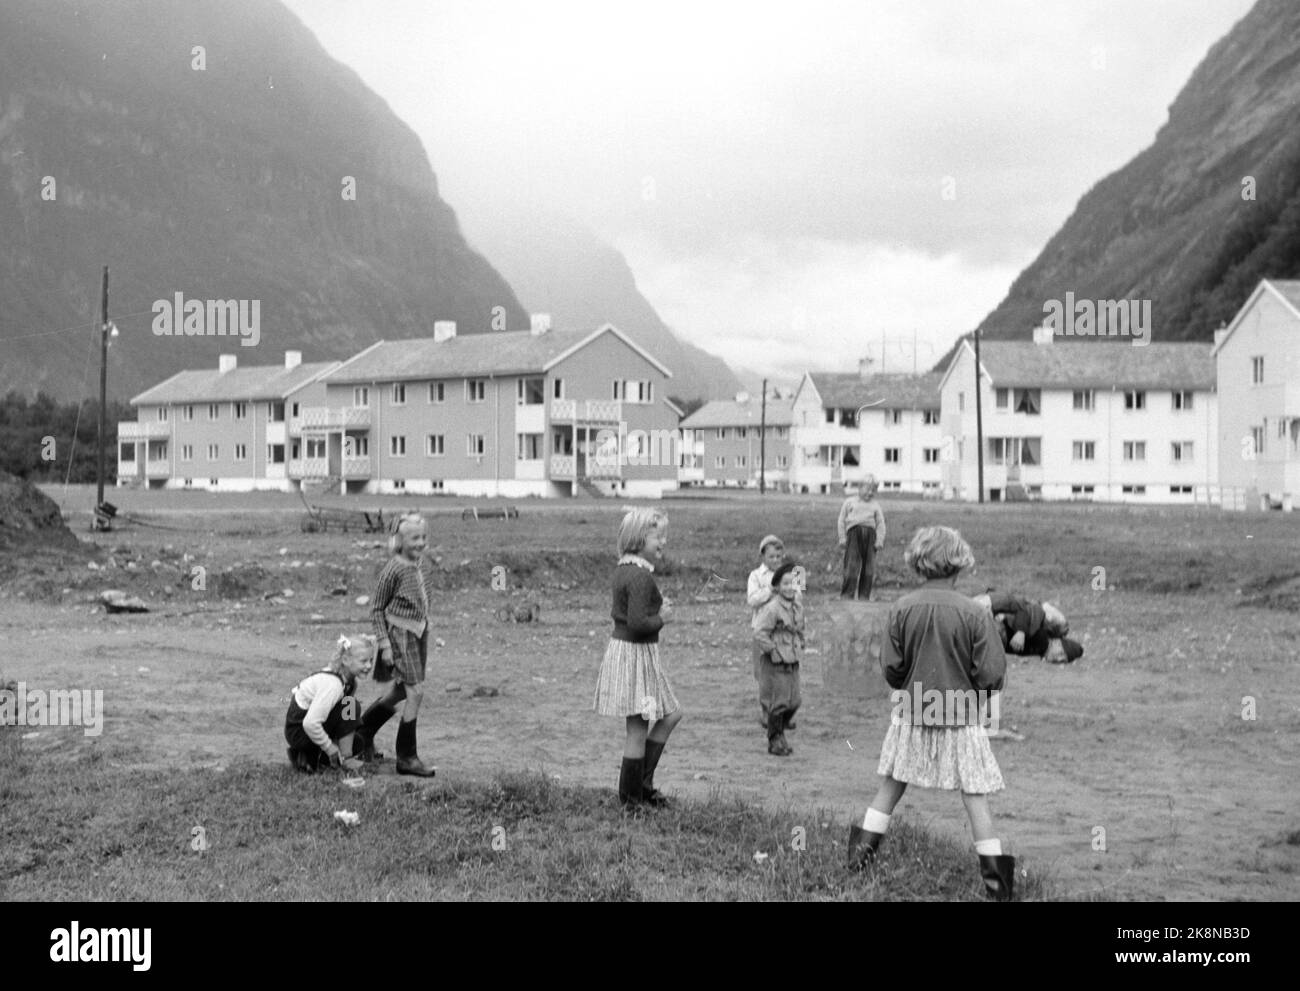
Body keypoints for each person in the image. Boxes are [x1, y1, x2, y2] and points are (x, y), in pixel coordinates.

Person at [846, 526, 1017, 901]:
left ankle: (857, 864)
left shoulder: (902, 608)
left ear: (917, 564)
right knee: (975, 795)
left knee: (891, 785)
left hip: (913, 710)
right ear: (959, 564)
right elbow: (991, 673)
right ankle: (997, 887)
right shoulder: (974, 612)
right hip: (960, 714)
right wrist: (979, 699)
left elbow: (891, 668)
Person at [593, 508, 684, 808]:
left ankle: (639, 790)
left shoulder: (623, 570)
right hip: (636, 657)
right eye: (659, 536)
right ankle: (633, 799)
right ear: (639, 537)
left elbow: (631, 614)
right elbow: (637, 623)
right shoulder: (641, 576)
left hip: (628, 656)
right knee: (641, 726)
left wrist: (654, 611)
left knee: (656, 719)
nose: (664, 542)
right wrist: (662, 618)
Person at [351, 512, 437, 777]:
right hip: (399, 637)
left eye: (423, 536)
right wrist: (385, 644)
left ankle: (362, 733)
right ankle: (407, 757)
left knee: (400, 691)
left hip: (418, 634)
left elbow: (422, 599)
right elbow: (376, 609)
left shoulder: (421, 565)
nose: (420, 542)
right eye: (414, 538)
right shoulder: (393, 569)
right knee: (415, 692)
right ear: (399, 540)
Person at [285, 633, 374, 774]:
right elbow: (310, 723)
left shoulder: (350, 682)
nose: (369, 666)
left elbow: (344, 720)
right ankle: (342, 758)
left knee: (357, 742)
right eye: (363, 661)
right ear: (345, 660)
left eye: (371, 660)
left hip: (312, 727)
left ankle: (309, 756)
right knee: (351, 705)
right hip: (299, 730)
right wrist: (330, 747)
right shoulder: (333, 685)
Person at [753, 560, 805, 757]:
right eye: (785, 583)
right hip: (776, 662)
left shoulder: (798, 607)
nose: (790, 587)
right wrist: (772, 650)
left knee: (795, 701)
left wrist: (801, 644)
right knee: (780, 701)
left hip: (792, 660)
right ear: (776, 586)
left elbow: (800, 629)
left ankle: (779, 732)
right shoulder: (772, 608)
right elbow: (759, 632)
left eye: (793, 583)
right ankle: (774, 739)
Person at [747, 535, 799, 729]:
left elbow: (798, 598)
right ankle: (766, 711)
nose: (776, 560)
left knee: (785, 672)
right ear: (763, 556)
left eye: (779, 556)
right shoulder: (756, 576)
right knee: (764, 673)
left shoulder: (790, 575)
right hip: (762, 630)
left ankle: (784, 713)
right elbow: (752, 600)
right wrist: (770, 589)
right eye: (771, 556)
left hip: (783, 633)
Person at [971, 592, 1084, 663]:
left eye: (1062, 661)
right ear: (1058, 643)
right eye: (1061, 655)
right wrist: (1021, 632)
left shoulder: (1041, 647)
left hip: (990, 612)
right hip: (990, 607)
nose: (1058, 660)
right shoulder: (1043, 639)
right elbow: (1033, 609)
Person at [837, 475, 886, 600]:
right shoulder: (850, 502)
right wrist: (842, 538)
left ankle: (864, 596)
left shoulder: (875, 505)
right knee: (851, 566)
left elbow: (880, 523)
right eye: (867, 489)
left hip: (871, 538)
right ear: (859, 488)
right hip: (853, 535)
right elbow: (841, 520)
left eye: (873, 490)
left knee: (869, 569)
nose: (870, 493)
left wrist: (879, 540)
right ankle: (847, 595)